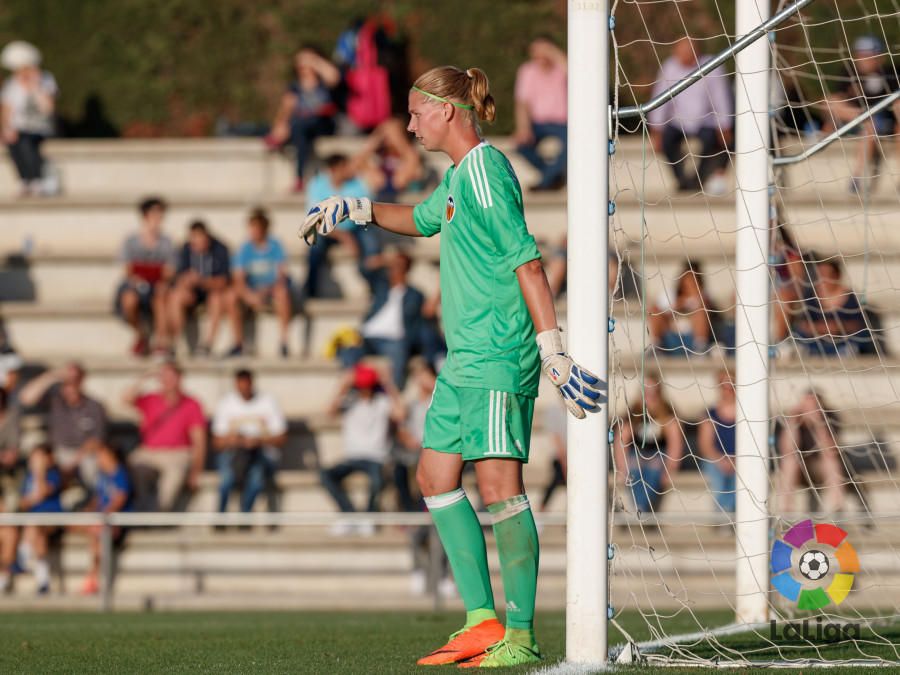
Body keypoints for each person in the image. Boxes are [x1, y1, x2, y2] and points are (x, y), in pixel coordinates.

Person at [300, 65, 602, 667]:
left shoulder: (487, 174)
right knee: (435, 479)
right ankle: (480, 621)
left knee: (499, 489)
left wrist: (553, 351)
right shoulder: (462, 175)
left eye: (416, 113)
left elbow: (529, 263)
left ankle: (520, 636)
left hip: (497, 353)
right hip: (463, 358)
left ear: (448, 111)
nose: (409, 125)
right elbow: (418, 219)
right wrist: (356, 206)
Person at [320, 364, 404, 534]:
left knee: (377, 479)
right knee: (325, 475)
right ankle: (349, 515)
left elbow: (401, 414)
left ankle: (368, 517)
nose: (364, 389)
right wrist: (342, 385)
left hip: (376, 458)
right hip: (352, 458)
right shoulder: (349, 402)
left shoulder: (382, 402)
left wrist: (388, 384)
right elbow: (329, 412)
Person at [648, 37, 733, 194]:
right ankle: (682, 180)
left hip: (706, 122)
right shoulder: (669, 66)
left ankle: (698, 180)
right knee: (667, 141)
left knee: (712, 142)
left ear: (697, 51)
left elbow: (721, 98)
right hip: (677, 122)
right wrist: (656, 130)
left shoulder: (712, 65)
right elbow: (659, 99)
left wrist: (725, 126)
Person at [123, 361, 206, 512]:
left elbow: (199, 441)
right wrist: (144, 378)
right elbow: (126, 398)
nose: (167, 381)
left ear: (180, 378)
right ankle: (137, 508)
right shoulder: (150, 399)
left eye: (171, 377)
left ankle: (157, 513)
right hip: (149, 452)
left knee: (172, 480)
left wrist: (196, 471)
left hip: (177, 454)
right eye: (163, 377)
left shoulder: (192, 404)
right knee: (128, 467)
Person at [823, 36, 900, 193]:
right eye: (861, 55)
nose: (864, 59)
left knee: (872, 125)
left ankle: (857, 178)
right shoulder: (848, 73)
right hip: (855, 120)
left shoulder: (891, 74)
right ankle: (857, 178)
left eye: (869, 55)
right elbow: (835, 101)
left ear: (880, 57)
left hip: (883, 122)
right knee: (831, 101)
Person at [337, 249, 423, 389]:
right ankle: (354, 390)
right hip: (368, 335)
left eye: (399, 265)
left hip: (394, 339)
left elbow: (418, 322)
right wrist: (383, 259)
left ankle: (394, 396)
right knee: (348, 349)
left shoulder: (415, 295)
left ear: (407, 269)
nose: (395, 269)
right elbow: (363, 269)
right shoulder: (381, 287)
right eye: (393, 265)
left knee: (399, 352)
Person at [17, 362, 108, 489]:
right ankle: (38, 499)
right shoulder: (55, 400)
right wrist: (51, 376)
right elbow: (26, 398)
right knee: (37, 458)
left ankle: (96, 501)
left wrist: (75, 460)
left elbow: (97, 440)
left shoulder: (94, 406)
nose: (70, 384)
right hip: (58, 451)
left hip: (84, 453)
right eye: (67, 380)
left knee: (93, 464)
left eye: (74, 379)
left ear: (82, 380)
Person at [304, 153, 381, 299]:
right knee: (314, 245)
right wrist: (343, 235)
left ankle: (373, 283)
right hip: (328, 231)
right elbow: (314, 218)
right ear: (335, 169)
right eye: (345, 166)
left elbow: (368, 209)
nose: (350, 170)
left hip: (354, 228)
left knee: (370, 243)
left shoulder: (357, 183)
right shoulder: (317, 184)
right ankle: (310, 290)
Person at [211, 369, 287, 517]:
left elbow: (281, 438)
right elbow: (217, 442)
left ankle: (244, 516)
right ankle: (220, 517)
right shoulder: (226, 403)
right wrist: (236, 441)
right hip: (233, 454)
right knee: (226, 480)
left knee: (256, 480)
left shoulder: (268, 401)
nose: (244, 389)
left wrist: (259, 441)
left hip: (259, 453)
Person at [265, 47, 340, 192]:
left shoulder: (323, 82)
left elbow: (334, 76)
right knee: (298, 126)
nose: (303, 66)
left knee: (300, 125)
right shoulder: (295, 86)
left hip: (322, 123)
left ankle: (299, 177)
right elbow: (286, 108)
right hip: (301, 125)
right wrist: (280, 125)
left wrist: (315, 60)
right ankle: (299, 178)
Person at [613, 372, 684, 515]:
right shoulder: (633, 413)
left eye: (654, 392)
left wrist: (670, 469)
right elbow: (621, 441)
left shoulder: (668, 413)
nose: (650, 396)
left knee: (654, 467)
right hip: (636, 455)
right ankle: (642, 508)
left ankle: (641, 509)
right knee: (634, 469)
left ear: (659, 392)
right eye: (646, 392)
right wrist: (622, 468)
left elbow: (675, 444)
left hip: (659, 455)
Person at [226, 208, 293, 358]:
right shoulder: (245, 248)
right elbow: (238, 278)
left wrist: (265, 291)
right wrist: (249, 295)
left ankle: (284, 341)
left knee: (282, 292)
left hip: (270, 290)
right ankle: (238, 343)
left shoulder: (275, 246)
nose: (253, 232)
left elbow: (281, 276)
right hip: (252, 291)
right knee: (231, 296)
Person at [114, 197, 175, 357]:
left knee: (161, 295)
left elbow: (168, 272)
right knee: (129, 300)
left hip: (157, 286)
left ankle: (161, 342)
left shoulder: (166, 242)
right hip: (137, 284)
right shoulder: (131, 241)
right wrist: (139, 281)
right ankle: (141, 334)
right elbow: (128, 271)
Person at [71, 442, 132, 595]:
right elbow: (98, 499)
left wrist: (102, 515)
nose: (99, 459)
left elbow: (119, 499)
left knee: (98, 535)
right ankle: (93, 576)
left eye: (101, 455)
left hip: (117, 522)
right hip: (101, 519)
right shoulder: (103, 476)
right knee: (71, 524)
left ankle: (94, 578)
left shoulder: (120, 474)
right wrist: (88, 511)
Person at [0, 41, 59, 197]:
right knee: (14, 142)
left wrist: (35, 85)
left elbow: (48, 109)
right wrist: (6, 129)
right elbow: (7, 110)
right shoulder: (11, 85)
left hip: (40, 128)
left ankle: (36, 178)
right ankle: (26, 179)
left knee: (25, 140)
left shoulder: (45, 80)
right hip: (19, 129)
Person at [167, 220, 231, 357]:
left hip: (211, 292)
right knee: (176, 297)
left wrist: (202, 281)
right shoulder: (185, 250)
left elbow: (223, 281)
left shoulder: (220, 249)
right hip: (192, 294)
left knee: (216, 298)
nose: (196, 243)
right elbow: (177, 278)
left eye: (199, 238)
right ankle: (173, 342)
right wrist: (186, 281)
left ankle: (207, 344)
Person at [777, 390, 845, 514]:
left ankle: (837, 510)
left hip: (819, 467)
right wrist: (793, 422)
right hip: (799, 469)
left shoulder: (830, 417)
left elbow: (830, 450)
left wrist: (818, 423)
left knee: (831, 462)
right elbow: (787, 449)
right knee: (789, 462)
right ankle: (786, 511)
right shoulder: (792, 418)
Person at [514, 36, 568, 191]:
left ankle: (544, 183)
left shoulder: (561, 68)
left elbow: (575, 74)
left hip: (563, 123)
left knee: (572, 144)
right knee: (521, 146)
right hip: (538, 124)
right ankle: (552, 177)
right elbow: (522, 103)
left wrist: (552, 53)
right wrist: (523, 128)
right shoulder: (527, 70)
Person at [793, 257, 871, 356]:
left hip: (842, 340)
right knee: (798, 332)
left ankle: (846, 351)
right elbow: (803, 323)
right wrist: (822, 328)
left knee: (862, 335)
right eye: (819, 275)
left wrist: (838, 327)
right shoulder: (811, 295)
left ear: (837, 276)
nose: (822, 279)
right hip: (818, 340)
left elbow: (858, 325)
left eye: (827, 275)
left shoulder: (850, 296)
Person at [17, 444, 64, 594]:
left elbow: (43, 492)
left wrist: (40, 473)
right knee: (38, 536)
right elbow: (24, 502)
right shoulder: (28, 477)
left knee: (36, 526)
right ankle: (42, 581)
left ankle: (23, 554)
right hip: (35, 523)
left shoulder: (53, 474)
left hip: (52, 518)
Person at [648, 260, 717, 355]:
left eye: (694, 281)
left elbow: (708, 308)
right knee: (654, 310)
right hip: (671, 337)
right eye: (688, 281)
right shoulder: (670, 294)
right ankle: (656, 347)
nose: (690, 285)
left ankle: (701, 347)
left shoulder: (705, 295)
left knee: (701, 311)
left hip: (692, 339)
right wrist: (679, 304)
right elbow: (659, 311)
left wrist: (694, 299)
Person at [697, 370, 737, 514]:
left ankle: (729, 514)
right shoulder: (710, 414)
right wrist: (722, 460)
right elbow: (705, 446)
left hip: (740, 459)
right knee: (718, 476)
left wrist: (735, 460)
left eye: (732, 385)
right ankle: (723, 515)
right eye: (724, 385)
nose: (729, 389)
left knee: (741, 476)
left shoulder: (747, 412)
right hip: (716, 459)